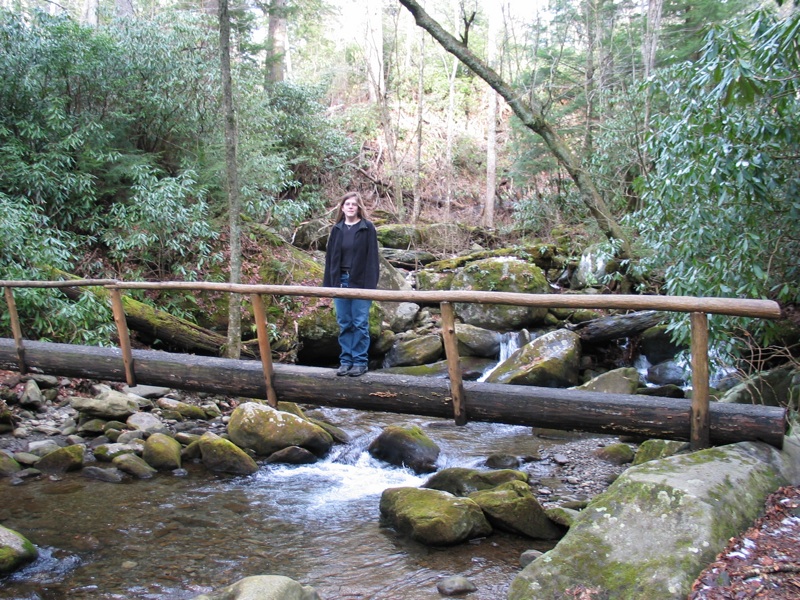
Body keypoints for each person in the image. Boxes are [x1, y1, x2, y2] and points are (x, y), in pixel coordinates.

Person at [322, 191, 380, 377]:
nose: (350, 207)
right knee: (345, 323)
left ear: (359, 207)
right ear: (342, 207)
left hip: (361, 282)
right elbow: (330, 259)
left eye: (354, 204)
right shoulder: (337, 229)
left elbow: (372, 258)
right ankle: (346, 361)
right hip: (340, 281)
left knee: (360, 323)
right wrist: (329, 285)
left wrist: (370, 286)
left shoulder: (367, 228)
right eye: (347, 204)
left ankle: (360, 362)